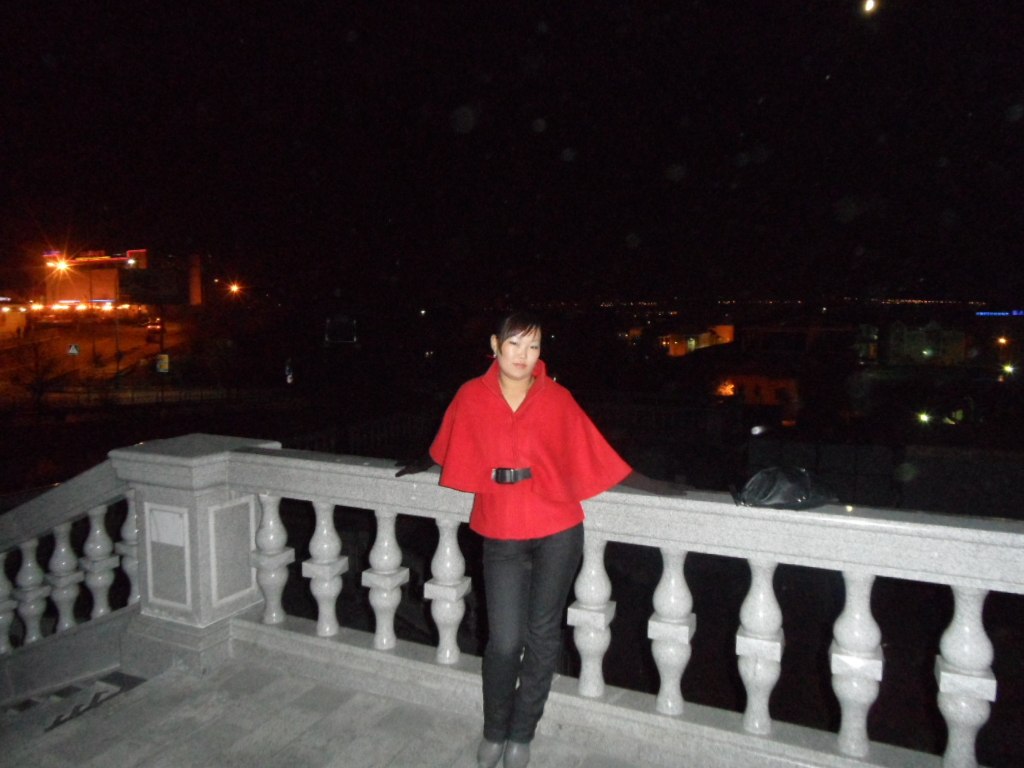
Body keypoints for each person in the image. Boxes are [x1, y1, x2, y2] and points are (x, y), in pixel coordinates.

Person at [397, 311, 669, 768]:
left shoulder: (556, 397)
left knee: (543, 637)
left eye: (534, 346)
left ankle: (522, 734)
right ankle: (494, 729)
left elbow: (593, 450)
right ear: (495, 345)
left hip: (558, 530)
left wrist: (653, 484)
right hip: (501, 531)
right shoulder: (471, 394)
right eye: (515, 344)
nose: (524, 355)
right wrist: (423, 461)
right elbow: (448, 441)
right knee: (504, 641)